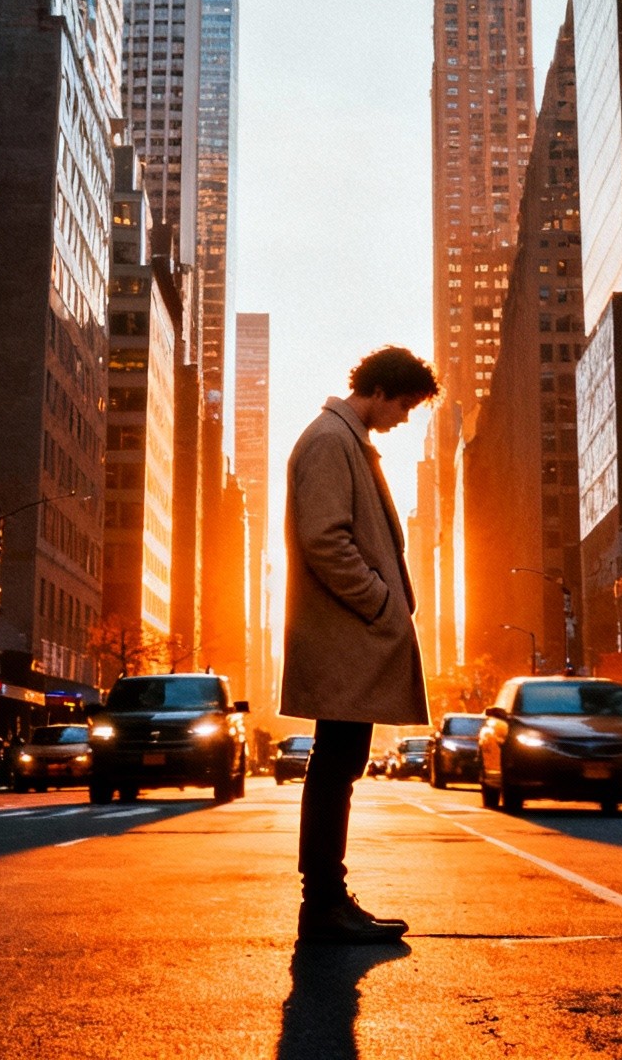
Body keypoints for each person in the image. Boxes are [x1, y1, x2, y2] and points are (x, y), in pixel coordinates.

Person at [280, 345, 438, 944]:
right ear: (380, 390)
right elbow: (325, 539)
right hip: (347, 634)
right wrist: (380, 601)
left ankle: (327, 898)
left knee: (338, 765)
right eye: (403, 405)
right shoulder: (330, 440)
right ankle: (322, 902)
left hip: (351, 636)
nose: (403, 418)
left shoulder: (343, 438)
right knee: (335, 767)